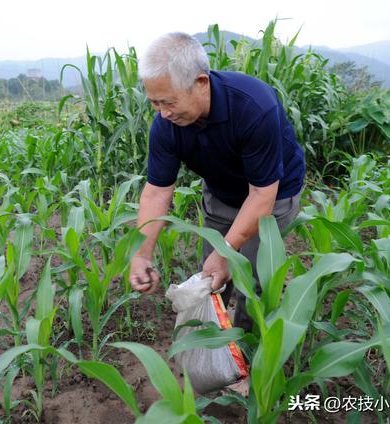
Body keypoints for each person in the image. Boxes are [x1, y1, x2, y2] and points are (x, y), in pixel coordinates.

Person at [129, 32, 305, 332]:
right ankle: (210, 351)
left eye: (169, 101)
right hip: (222, 193)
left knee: (255, 280)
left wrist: (227, 251)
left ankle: (250, 362)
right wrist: (141, 253)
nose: (163, 112)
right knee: (210, 276)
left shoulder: (253, 106)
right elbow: (157, 192)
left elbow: (262, 194)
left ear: (201, 83)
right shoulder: (166, 124)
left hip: (272, 193)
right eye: (155, 103)